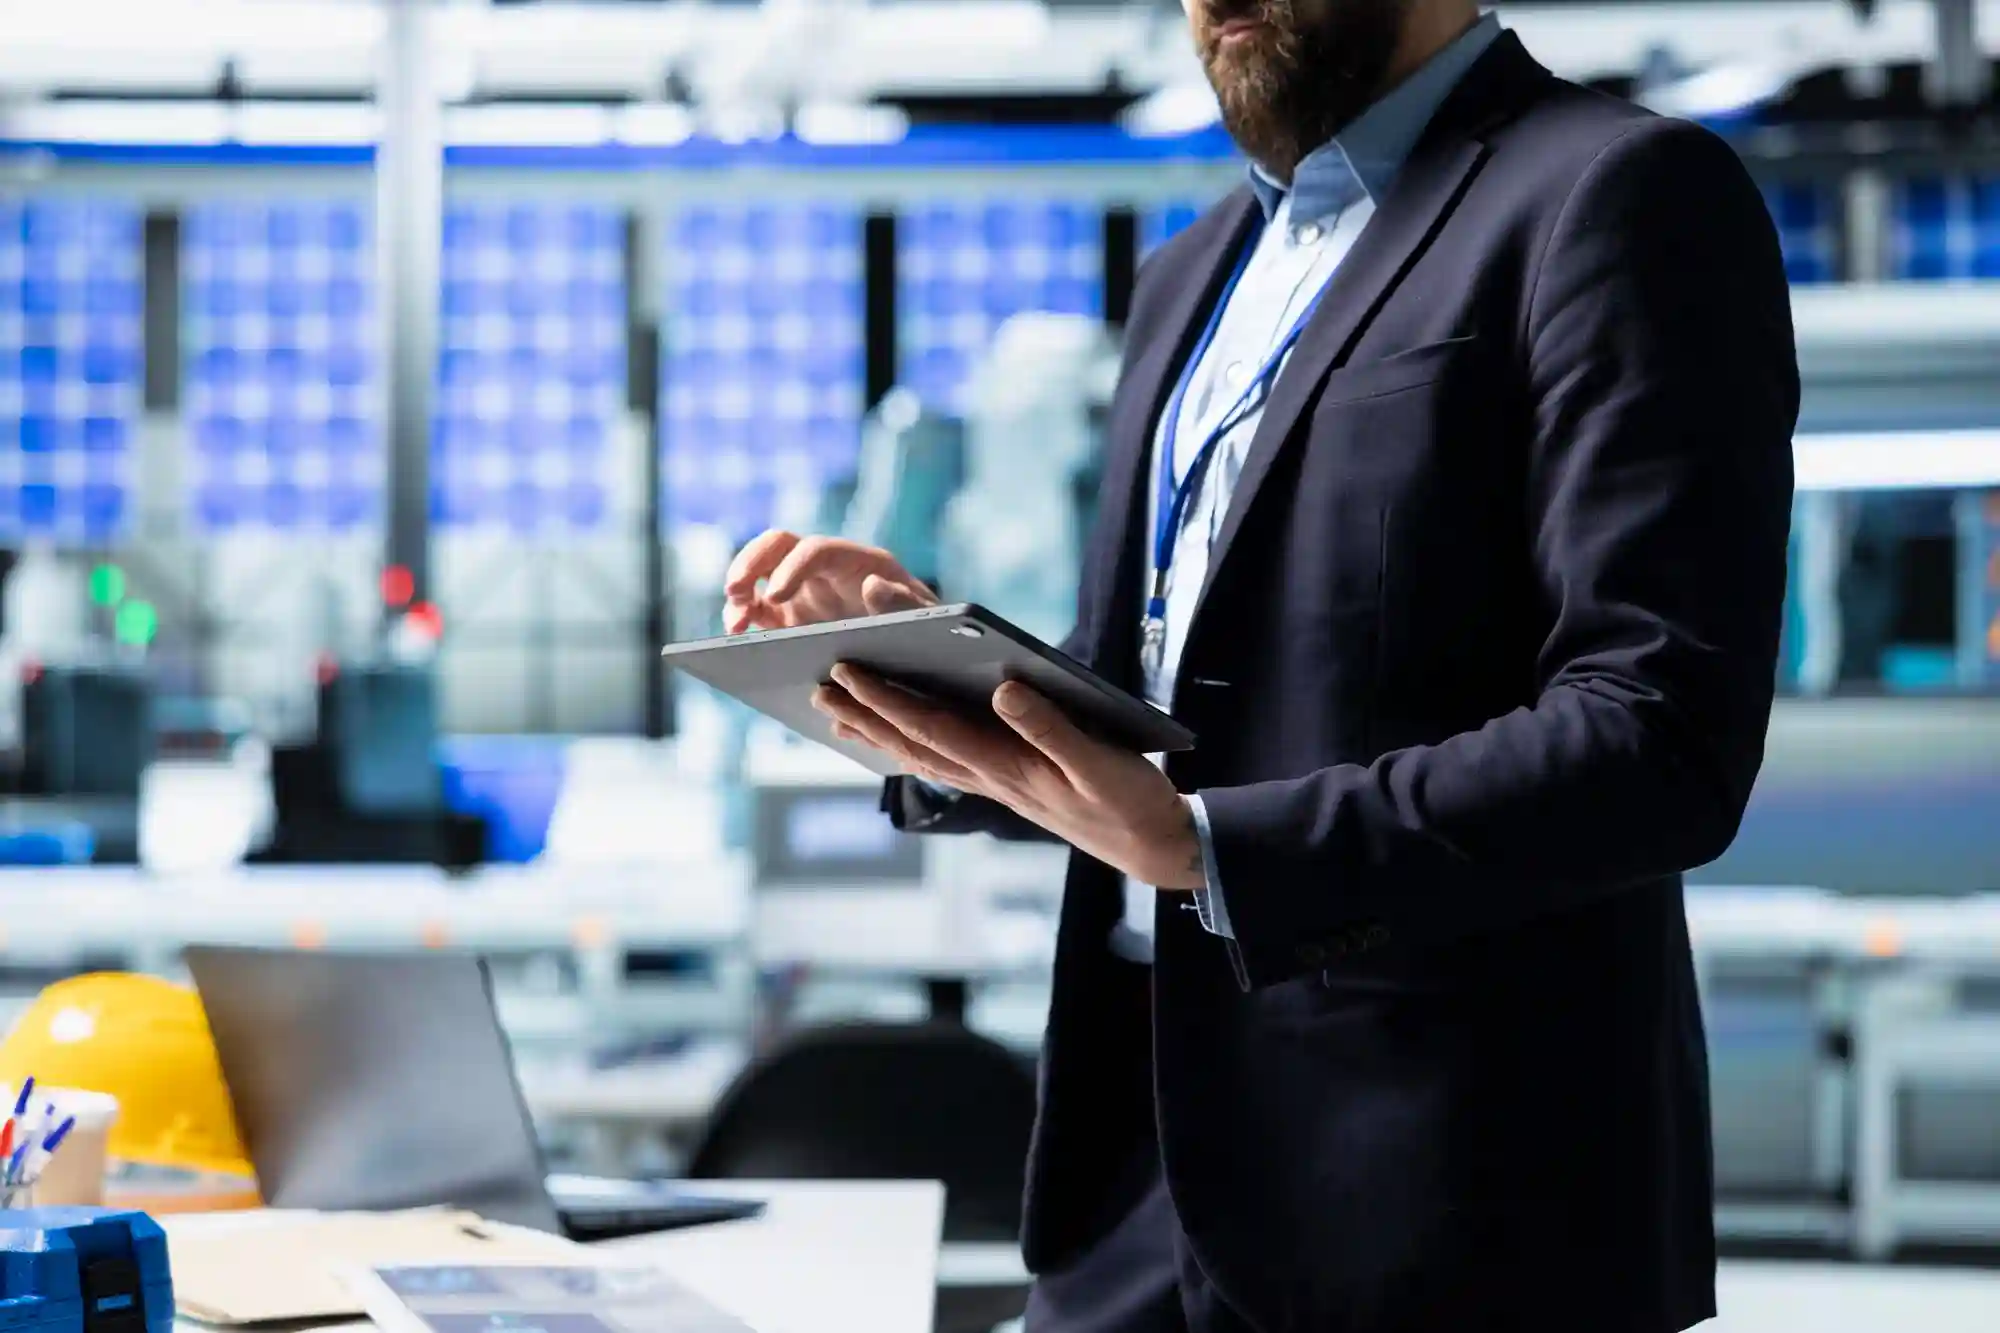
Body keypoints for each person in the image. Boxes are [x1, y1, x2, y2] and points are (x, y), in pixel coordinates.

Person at [721, 0, 1798, 1326]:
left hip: (1450, 1206)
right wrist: (920, 678)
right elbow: (1146, 703)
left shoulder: (1611, 194)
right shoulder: (1195, 272)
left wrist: (1211, 849)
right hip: (1151, 1175)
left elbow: (1656, 735)